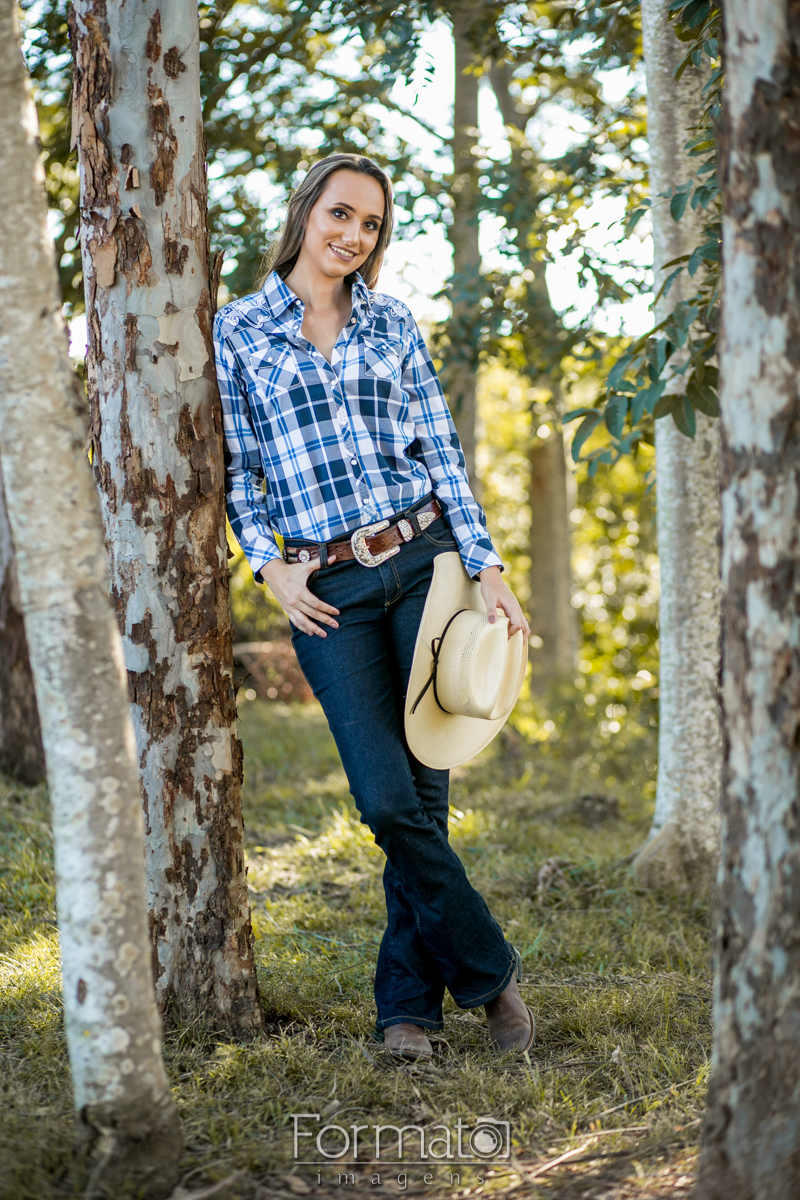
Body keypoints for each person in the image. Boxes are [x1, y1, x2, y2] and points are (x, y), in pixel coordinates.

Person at [213, 153, 534, 1061]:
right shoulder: (237, 329)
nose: (353, 235)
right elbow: (238, 468)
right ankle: (491, 973)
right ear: (305, 211)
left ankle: (407, 1015)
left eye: (371, 225)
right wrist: (267, 566)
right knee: (388, 802)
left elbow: (441, 452)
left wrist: (487, 563)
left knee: (424, 796)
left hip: (425, 563)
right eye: (341, 214)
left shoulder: (391, 321)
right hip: (330, 592)